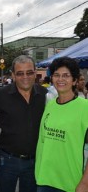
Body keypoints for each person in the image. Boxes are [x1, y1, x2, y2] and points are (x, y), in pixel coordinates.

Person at [0, 55, 48, 192]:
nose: (25, 77)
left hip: (35, 160)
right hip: (8, 160)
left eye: (29, 72)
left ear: (35, 73)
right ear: (13, 75)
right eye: (20, 73)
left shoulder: (46, 96)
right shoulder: (1, 95)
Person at [35, 57, 88, 192]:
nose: (60, 79)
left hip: (71, 183)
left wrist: (85, 183)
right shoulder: (50, 105)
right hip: (44, 179)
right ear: (52, 78)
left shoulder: (85, 108)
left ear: (75, 80)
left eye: (66, 75)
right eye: (57, 75)